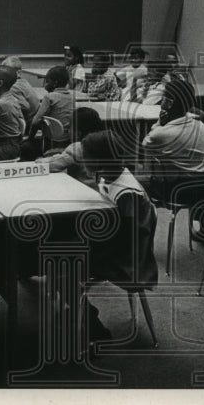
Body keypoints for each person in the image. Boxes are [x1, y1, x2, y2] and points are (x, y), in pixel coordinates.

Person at [75, 130, 159, 341]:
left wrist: (87, 248)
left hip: (128, 261)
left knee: (64, 266)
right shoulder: (112, 176)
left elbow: (124, 239)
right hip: (117, 248)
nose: (82, 159)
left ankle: (90, 324)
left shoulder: (126, 192)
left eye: (86, 156)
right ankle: (81, 315)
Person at [141, 77, 204, 205]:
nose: (161, 99)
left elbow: (146, 144)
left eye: (163, 96)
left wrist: (159, 123)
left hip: (176, 190)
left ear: (170, 102)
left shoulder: (161, 133)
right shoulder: (200, 126)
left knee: (139, 183)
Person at [23, 65, 75, 159]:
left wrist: (30, 139)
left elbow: (35, 121)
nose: (44, 85)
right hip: (67, 140)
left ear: (55, 83)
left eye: (47, 81)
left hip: (50, 141)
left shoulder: (49, 97)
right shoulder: (72, 97)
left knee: (25, 146)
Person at [46, 108, 104, 180]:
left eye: (70, 127)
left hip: (81, 187)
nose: (68, 130)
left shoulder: (78, 148)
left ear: (78, 134)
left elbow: (52, 165)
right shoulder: (101, 144)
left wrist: (39, 160)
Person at [1, 55, 40, 127]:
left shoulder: (13, 87)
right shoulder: (24, 82)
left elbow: (25, 107)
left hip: (25, 125)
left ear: (18, 73)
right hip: (32, 122)